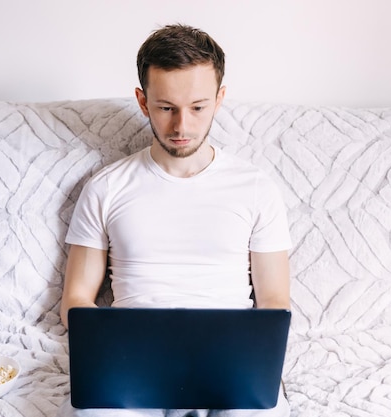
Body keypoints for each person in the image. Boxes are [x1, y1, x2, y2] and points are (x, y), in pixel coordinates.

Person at [58, 24, 292, 417]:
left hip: (230, 367)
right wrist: (109, 352)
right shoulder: (105, 188)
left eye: (198, 107)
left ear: (219, 99)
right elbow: (76, 299)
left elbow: (274, 301)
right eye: (166, 108)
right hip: (130, 367)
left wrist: (255, 362)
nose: (181, 126)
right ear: (143, 101)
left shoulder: (256, 188)